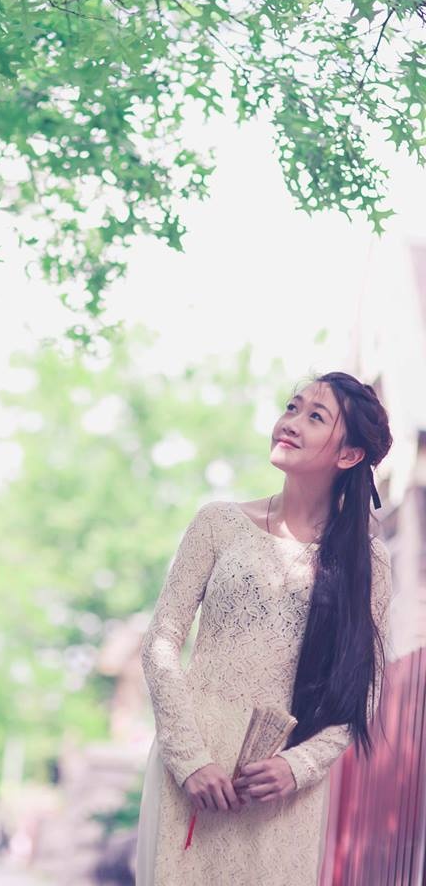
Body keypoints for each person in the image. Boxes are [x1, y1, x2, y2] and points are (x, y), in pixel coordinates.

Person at [134, 371, 394, 886]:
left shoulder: (365, 562)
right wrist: (188, 759)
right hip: (192, 768)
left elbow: (363, 691)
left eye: (315, 417)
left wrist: (298, 767)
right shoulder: (218, 523)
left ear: (349, 455)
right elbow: (160, 642)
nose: (290, 423)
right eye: (292, 408)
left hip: (278, 790)